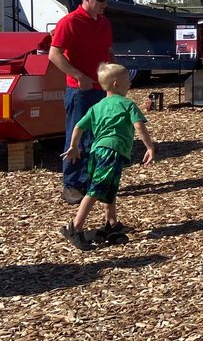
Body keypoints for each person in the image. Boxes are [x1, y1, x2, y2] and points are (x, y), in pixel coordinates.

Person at [60, 63, 156, 251]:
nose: (130, 83)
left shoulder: (98, 106)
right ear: (116, 84)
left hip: (97, 151)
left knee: (109, 187)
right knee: (96, 189)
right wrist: (149, 146)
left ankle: (111, 223)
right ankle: (75, 227)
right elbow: (138, 126)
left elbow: (78, 126)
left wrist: (74, 146)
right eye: (127, 80)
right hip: (112, 151)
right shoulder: (127, 104)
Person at [49, 0, 114, 204]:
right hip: (80, 91)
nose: (105, 4)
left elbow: (107, 52)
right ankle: (72, 184)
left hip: (101, 89)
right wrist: (78, 76)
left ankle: (90, 181)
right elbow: (54, 54)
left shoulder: (104, 22)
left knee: (97, 138)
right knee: (77, 138)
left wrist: (113, 78)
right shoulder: (70, 22)